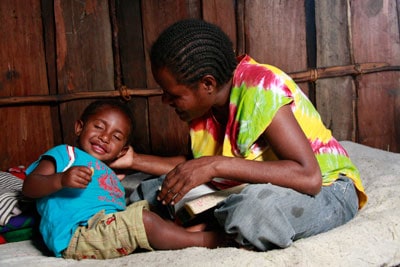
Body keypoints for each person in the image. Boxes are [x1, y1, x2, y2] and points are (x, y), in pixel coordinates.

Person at [110, 18, 368, 251]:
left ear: (207, 84)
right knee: (157, 191)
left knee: (253, 211)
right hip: (249, 187)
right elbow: (194, 166)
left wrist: (216, 165)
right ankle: (206, 223)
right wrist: (133, 160)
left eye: (173, 94)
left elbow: (309, 177)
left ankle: (199, 237)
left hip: (327, 190)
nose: (166, 100)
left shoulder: (260, 88)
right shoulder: (206, 106)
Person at [22, 99, 226, 260]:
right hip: (78, 235)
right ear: (79, 127)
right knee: (143, 220)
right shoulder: (65, 154)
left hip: (108, 227)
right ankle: (202, 240)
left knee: (150, 208)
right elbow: (29, 186)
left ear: (123, 151)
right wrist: (60, 180)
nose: (105, 137)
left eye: (116, 137)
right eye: (99, 127)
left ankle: (178, 232)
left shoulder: (110, 172)